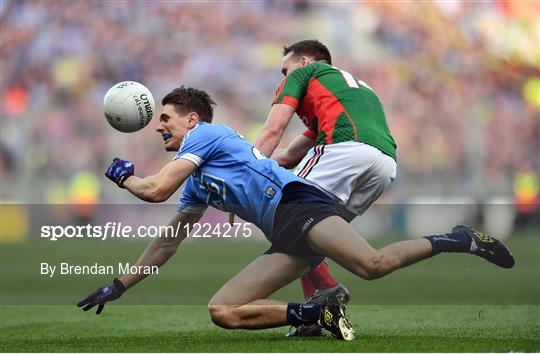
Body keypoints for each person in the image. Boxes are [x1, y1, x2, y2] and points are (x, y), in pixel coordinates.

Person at [78, 86, 514, 341]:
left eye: (166, 118)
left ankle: (458, 238)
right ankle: (315, 312)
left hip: (298, 204)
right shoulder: (196, 179)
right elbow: (167, 242)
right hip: (284, 231)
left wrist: (125, 178)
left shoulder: (206, 136)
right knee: (223, 311)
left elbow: (154, 190)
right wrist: (120, 284)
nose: (159, 126)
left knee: (372, 265)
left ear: (192, 120)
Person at [254, 39, 398, 336]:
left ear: (305, 62)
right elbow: (289, 155)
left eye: (286, 69)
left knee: (284, 212)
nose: (284, 77)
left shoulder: (304, 74)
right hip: (384, 165)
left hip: (345, 150)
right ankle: (311, 319)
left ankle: (330, 293)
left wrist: (244, 173)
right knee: (312, 234)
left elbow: (273, 130)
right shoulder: (352, 91)